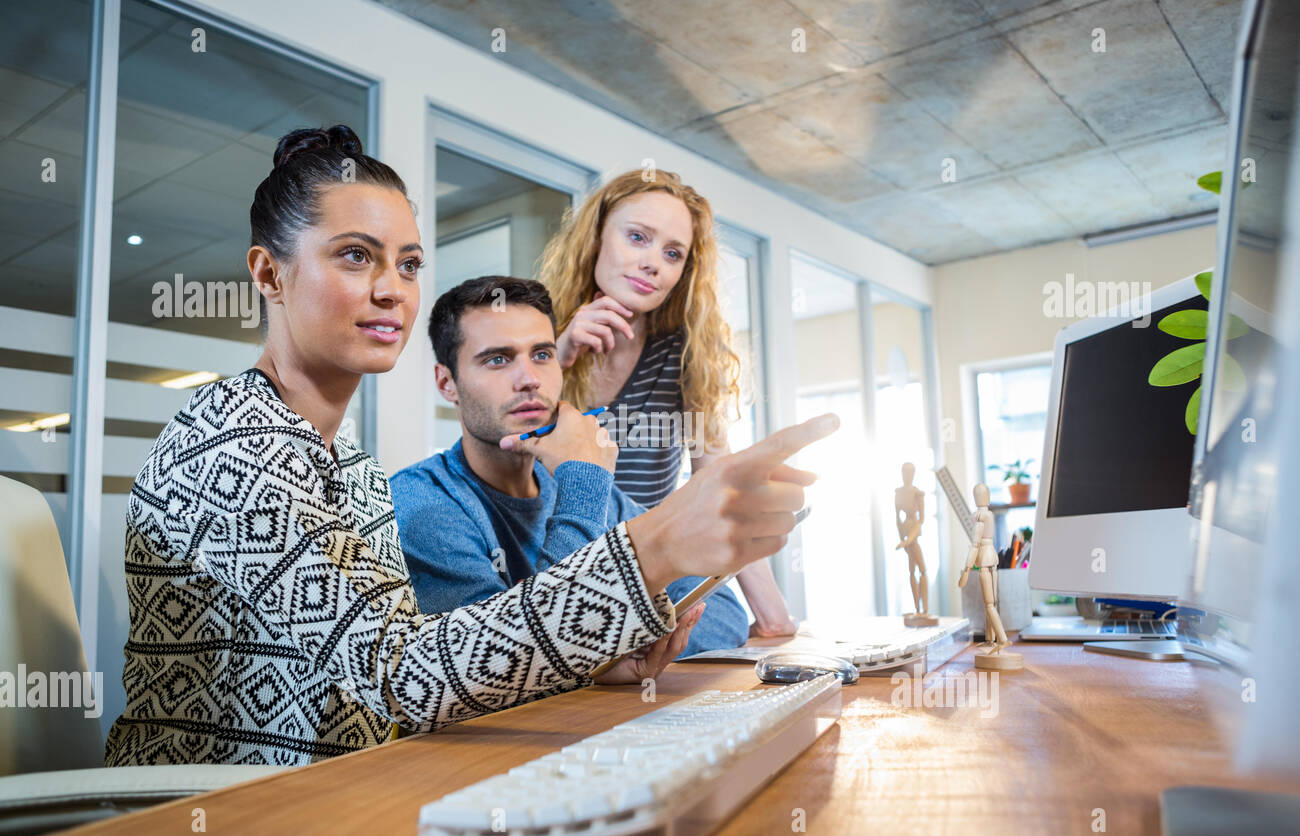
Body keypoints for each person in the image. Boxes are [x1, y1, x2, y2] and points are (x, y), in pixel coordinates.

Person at [103, 125, 835, 767]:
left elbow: (416, 665)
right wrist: (655, 542)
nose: (392, 289)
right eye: (356, 257)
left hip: (348, 791)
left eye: (410, 264)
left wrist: (596, 665)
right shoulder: (237, 443)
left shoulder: (350, 468)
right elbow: (407, 678)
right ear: (269, 274)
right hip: (222, 822)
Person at [389, 274, 749, 657]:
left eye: (542, 355)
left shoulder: (595, 494)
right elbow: (511, 662)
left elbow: (722, 615)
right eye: (498, 359)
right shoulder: (420, 503)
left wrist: (595, 648)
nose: (529, 380)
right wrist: (584, 481)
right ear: (447, 384)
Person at [538, 169, 800, 639]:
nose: (653, 263)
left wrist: (773, 616)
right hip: (552, 556)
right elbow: (497, 450)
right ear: (596, 238)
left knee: (719, 626)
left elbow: (721, 483)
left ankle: (606, 653)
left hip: (649, 563)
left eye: (672, 253)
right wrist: (556, 357)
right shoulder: (538, 331)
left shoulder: (685, 352)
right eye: (637, 237)